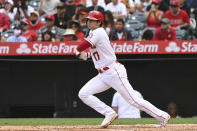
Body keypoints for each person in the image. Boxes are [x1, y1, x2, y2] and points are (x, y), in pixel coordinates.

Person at [76, 10, 170, 128]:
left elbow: (81, 46)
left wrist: (78, 51)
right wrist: (86, 56)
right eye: (88, 20)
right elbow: (97, 53)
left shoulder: (99, 31)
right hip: (103, 74)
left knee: (134, 100)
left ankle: (162, 116)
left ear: (99, 22)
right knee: (83, 94)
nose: (89, 22)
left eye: (92, 20)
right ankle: (109, 113)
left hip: (113, 71)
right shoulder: (92, 32)